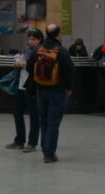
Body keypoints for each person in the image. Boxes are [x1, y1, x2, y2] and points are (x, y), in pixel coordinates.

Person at [27, 24, 74, 163]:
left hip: (40, 90)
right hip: (57, 91)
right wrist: (69, 87)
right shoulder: (62, 51)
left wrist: (37, 82)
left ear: (46, 34)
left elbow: (29, 67)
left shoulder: (37, 50)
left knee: (44, 121)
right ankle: (49, 154)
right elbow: (70, 71)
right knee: (53, 123)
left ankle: (44, 148)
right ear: (58, 35)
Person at [7, 28, 42, 153]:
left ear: (40, 40)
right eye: (30, 39)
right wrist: (17, 63)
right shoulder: (26, 50)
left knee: (34, 115)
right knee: (17, 112)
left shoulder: (41, 51)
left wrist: (25, 65)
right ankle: (19, 141)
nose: (31, 41)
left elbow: (38, 67)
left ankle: (32, 143)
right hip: (21, 86)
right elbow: (21, 60)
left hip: (33, 87)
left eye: (34, 39)